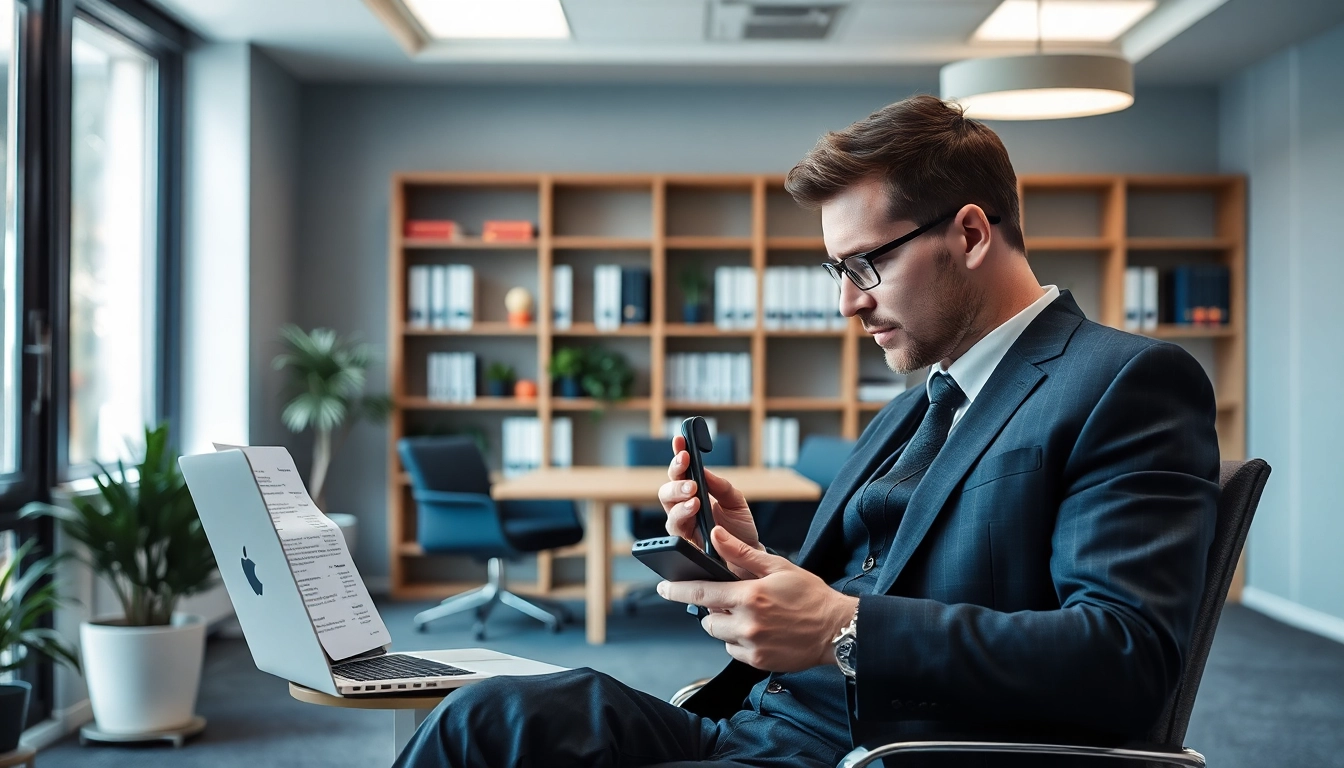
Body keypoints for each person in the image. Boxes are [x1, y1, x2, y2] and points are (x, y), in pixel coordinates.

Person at [393, 94, 1219, 768]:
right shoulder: (914, 406)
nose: (847, 303)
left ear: (970, 234)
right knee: (491, 717)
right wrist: (758, 564)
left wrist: (839, 628)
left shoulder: (1121, 383)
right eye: (837, 273)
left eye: (867, 266)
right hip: (756, 725)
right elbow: (886, 580)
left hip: (882, 752)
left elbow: (1128, 657)